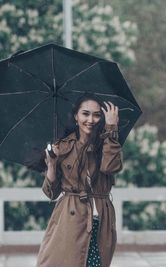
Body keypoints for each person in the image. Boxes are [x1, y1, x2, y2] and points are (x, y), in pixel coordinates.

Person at [36, 94, 123, 267]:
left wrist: (111, 129)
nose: (91, 119)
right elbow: (51, 193)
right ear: (76, 116)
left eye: (97, 115)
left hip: (100, 218)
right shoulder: (63, 146)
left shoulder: (107, 142)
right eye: (85, 113)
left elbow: (110, 167)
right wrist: (52, 165)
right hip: (69, 219)